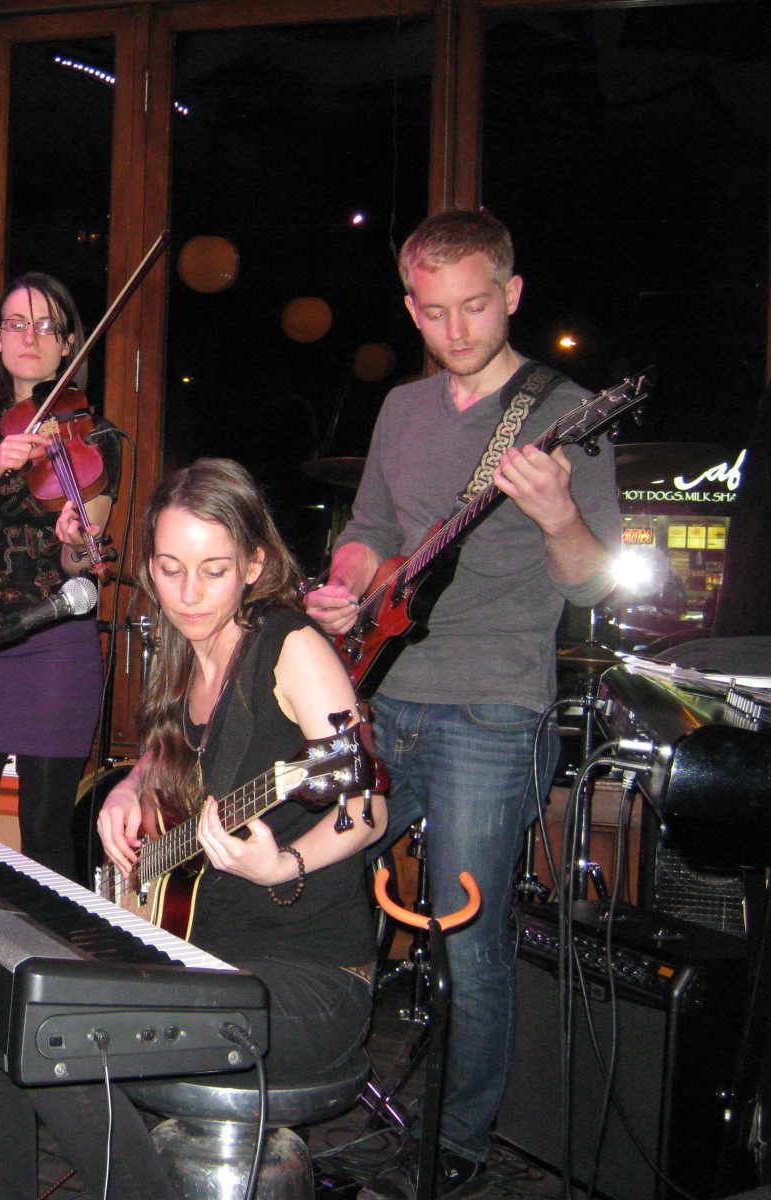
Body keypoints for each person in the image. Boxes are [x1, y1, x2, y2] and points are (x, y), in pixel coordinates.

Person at [0, 457, 385, 1199]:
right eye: (170, 568)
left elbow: (367, 807)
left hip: (307, 981)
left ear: (254, 565)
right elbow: (175, 753)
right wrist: (131, 785)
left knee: (65, 1033)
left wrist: (284, 864)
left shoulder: (291, 647)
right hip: (194, 958)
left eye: (214, 571)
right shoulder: (186, 653)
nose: (188, 594)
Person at [305, 209, 619, 1198]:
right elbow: (369, 529)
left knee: (465, 934)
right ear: (410, 308)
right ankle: (328, 1092)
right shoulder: (401, 410)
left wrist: (557, 514)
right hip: (381, 694)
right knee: (313, 882)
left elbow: (591, 582)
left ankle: (458, 1145)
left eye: (475, 306)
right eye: (434, 312)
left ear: (512, 294)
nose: (456, 328)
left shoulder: (566, 412)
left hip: (491, 707)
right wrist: (347, 587)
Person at [0, 272, 120, 879]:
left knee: (44, 832)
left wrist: (77, 544)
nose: (30, 336)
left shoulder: (95, 437)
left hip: (56, 648)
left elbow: (79, 564)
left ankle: (49, 941)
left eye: (47, 326)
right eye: (16, 323)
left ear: (69, 345)